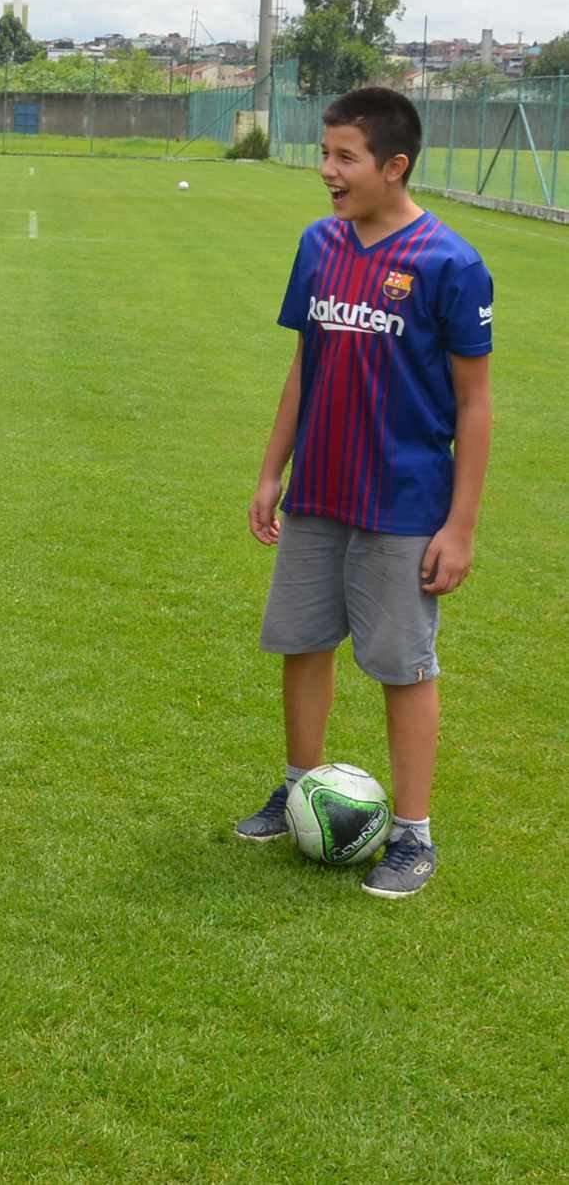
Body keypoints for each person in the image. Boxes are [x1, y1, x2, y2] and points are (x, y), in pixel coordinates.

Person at [238, 86, 492, 900]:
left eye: (343, 157)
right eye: (324, 152)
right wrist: (272, 471)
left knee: (400, 666)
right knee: (301, 643)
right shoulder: (318, 244)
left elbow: (473, 404)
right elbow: (303, 367)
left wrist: (459, 525)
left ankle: (412, 836)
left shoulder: (447, 264)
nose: (326, 170)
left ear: (393, 166)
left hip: (404, 505)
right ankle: (298, 786)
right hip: (318, 494)